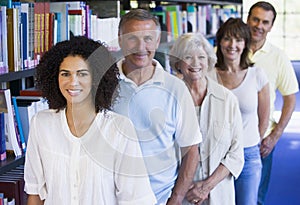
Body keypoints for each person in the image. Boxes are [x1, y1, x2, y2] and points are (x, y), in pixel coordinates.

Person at [24, 36, 157, 205]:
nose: (73, 82)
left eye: (82, 74)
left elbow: (136, 199)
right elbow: (35, 194)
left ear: (96, 78)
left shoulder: (119, 128)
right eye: (65, 74)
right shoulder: (41, 124)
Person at [113, 9, 202, 204]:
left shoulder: (176, 89)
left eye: (148, 38)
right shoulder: (104, 85)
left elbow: (191, 149)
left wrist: (176, 199)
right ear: (120, 40)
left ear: (157, 41)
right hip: (111, 198)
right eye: (132, 39)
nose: (141, 47)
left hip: (160, 198)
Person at [169, 32, 244, 205]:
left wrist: (206, 187)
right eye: (188, 57)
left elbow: (236, 154)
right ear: (178, 63)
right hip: (180, 195)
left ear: (208, 61)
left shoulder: (227, 100)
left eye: (201, 57)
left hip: (218, 194)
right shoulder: (170, 100)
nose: (196, 63)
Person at [208, 18, 270, 205]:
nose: (232, 45)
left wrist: (251, 141)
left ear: (245, 44)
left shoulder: (256, 75)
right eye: (227, 39)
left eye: (238, 40)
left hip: (248, 153)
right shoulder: (209, 74)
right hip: (217, 155)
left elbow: (264, 117)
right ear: (219, 42)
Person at [246, 2, 299, 204]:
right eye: (256, 19)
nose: (259, 25)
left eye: (265, 22)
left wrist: (274, 136)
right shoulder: (231, 49)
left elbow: (290, 98)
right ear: (248, 19)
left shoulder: (278, 57)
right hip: (228, 137)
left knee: (255, 197)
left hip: (261, 139)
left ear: (271, 26)